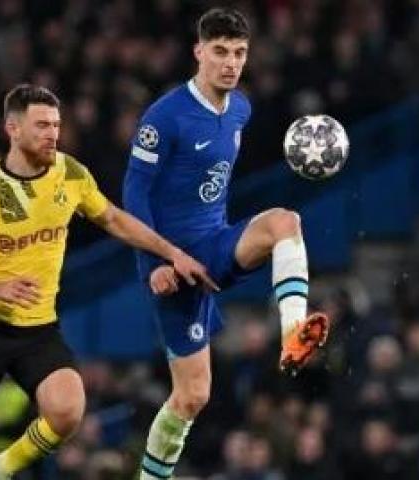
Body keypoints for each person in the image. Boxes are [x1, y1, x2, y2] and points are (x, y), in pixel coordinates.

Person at [0, 83, 217, 480]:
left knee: (67, 410)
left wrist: (171, 252)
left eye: (55, 125)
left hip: (38, 327)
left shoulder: (69, 173)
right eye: (41, 125)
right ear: (13, 129)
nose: (52, 134)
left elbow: (112, 218)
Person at [122, 8, 330, 479]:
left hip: (216, 243)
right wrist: (153, 264)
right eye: (220, 52)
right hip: (174, 267)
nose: (230, 62)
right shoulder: (165, 117)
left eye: (239, 53)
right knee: (192, 397)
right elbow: (134, 194)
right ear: (199, 52)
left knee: (285, 222)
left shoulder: (241, 108)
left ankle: (294, 332)